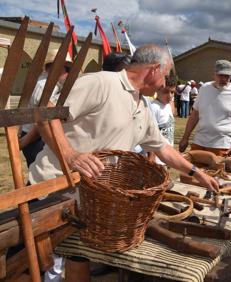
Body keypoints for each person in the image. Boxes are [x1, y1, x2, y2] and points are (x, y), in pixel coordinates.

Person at [29, 44, 219, 194]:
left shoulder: (142, 106)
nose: (164, 83)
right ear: (154, 69)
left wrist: (197, 174)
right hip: (51, 189)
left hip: (89, 197)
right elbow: (46, 114)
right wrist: (70, 156)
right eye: (166, 75)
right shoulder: (102, 82)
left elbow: (163, 149)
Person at [179, 59, 231, 157]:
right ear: (214, 74)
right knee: (192, 171)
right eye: (221, 75)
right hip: (199, 142)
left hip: (223, 145)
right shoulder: (204, 88)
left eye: (227, 76)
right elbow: (195, 115)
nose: (224, 79)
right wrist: (185, 137)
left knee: (216, 172)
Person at [19, 49, 72, 167]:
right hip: (34, 138)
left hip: (34, 136)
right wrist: (24, 142)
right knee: (42, 177)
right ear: (56, 67)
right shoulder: (46, 86)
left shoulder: (45, 83)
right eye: (67, 69)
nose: (68, 73)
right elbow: (42, 120)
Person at [149, 77, 176, 165]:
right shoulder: (153, 107)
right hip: (157, 158)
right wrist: (152, 157)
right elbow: (150, 134)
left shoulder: (168, 106)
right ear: (157, 90)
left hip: (167, 156)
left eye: (172, 92)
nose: (170, 95)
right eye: (165, 92)